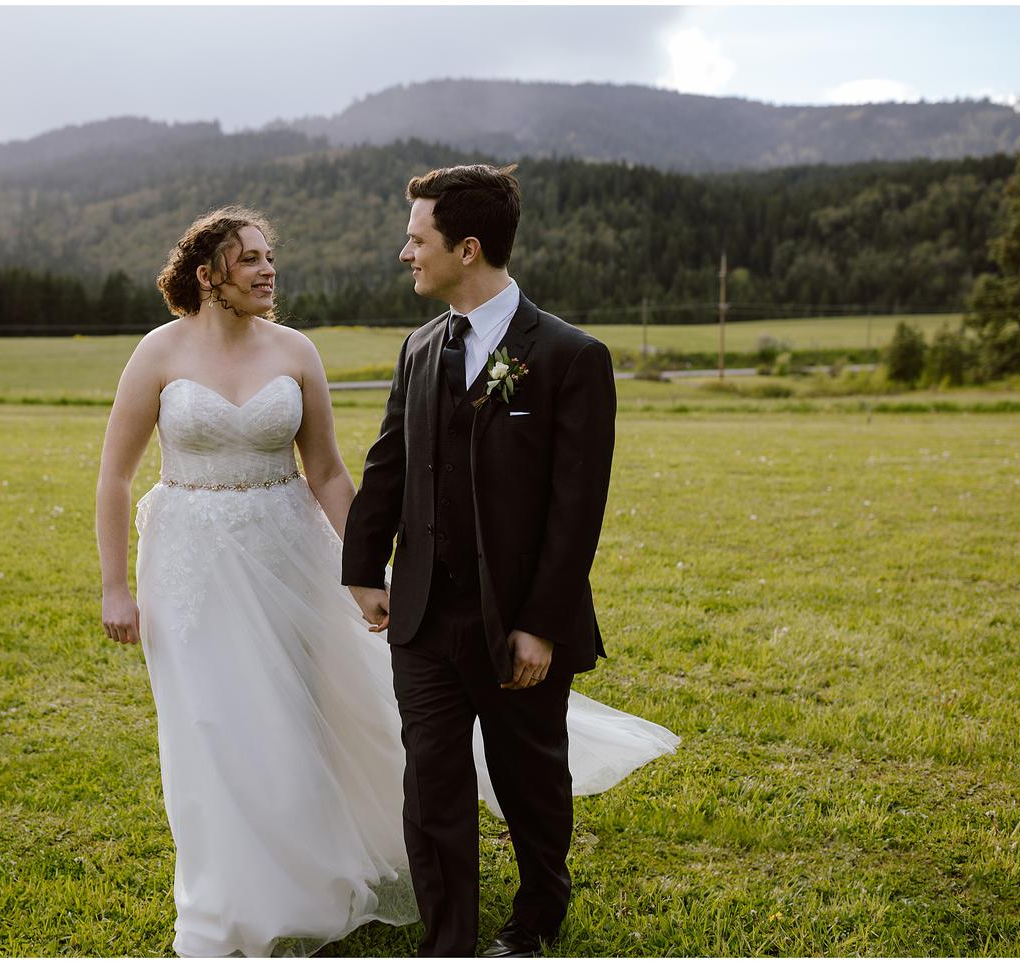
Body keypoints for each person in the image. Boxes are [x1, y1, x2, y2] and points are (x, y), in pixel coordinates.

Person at [96, 206, 677, 957]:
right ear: (208, 275)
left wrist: (370, 570)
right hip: (187, 566)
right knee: (206, 724)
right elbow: (114, 475)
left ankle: (317, 875)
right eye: (249, 260)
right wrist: (116, 586)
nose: (268, 269)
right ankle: (228, 892)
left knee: (298, 716)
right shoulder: (156, 353)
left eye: (271, 256)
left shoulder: (296, 351)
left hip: (285, 553)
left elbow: (333, 473)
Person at [343, 163, 623, 957]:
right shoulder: (420, 345)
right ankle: (451, 943)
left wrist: (539, 624)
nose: (405, 253)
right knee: (431, 783)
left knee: (530, 778)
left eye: (416, 238)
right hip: (423, 611)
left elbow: (577, 510)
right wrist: (365, 566)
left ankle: (535, 920)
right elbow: (389, 461)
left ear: (467, 248)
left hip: (516, 622)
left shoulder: (572, 355)